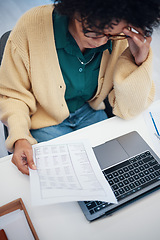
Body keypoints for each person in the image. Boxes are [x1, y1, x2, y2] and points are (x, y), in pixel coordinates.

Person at [0, 0, 160, 175]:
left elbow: (129, 110)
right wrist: (19, 137)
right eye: (93, 32)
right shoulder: (31, 26)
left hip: (90, 111)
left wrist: (138, 61)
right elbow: (12, 95)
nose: (100, 42)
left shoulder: (118, 38)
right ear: (75, 9)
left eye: (110, 35)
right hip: (44, 120)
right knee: (61, 180)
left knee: (120, 172)